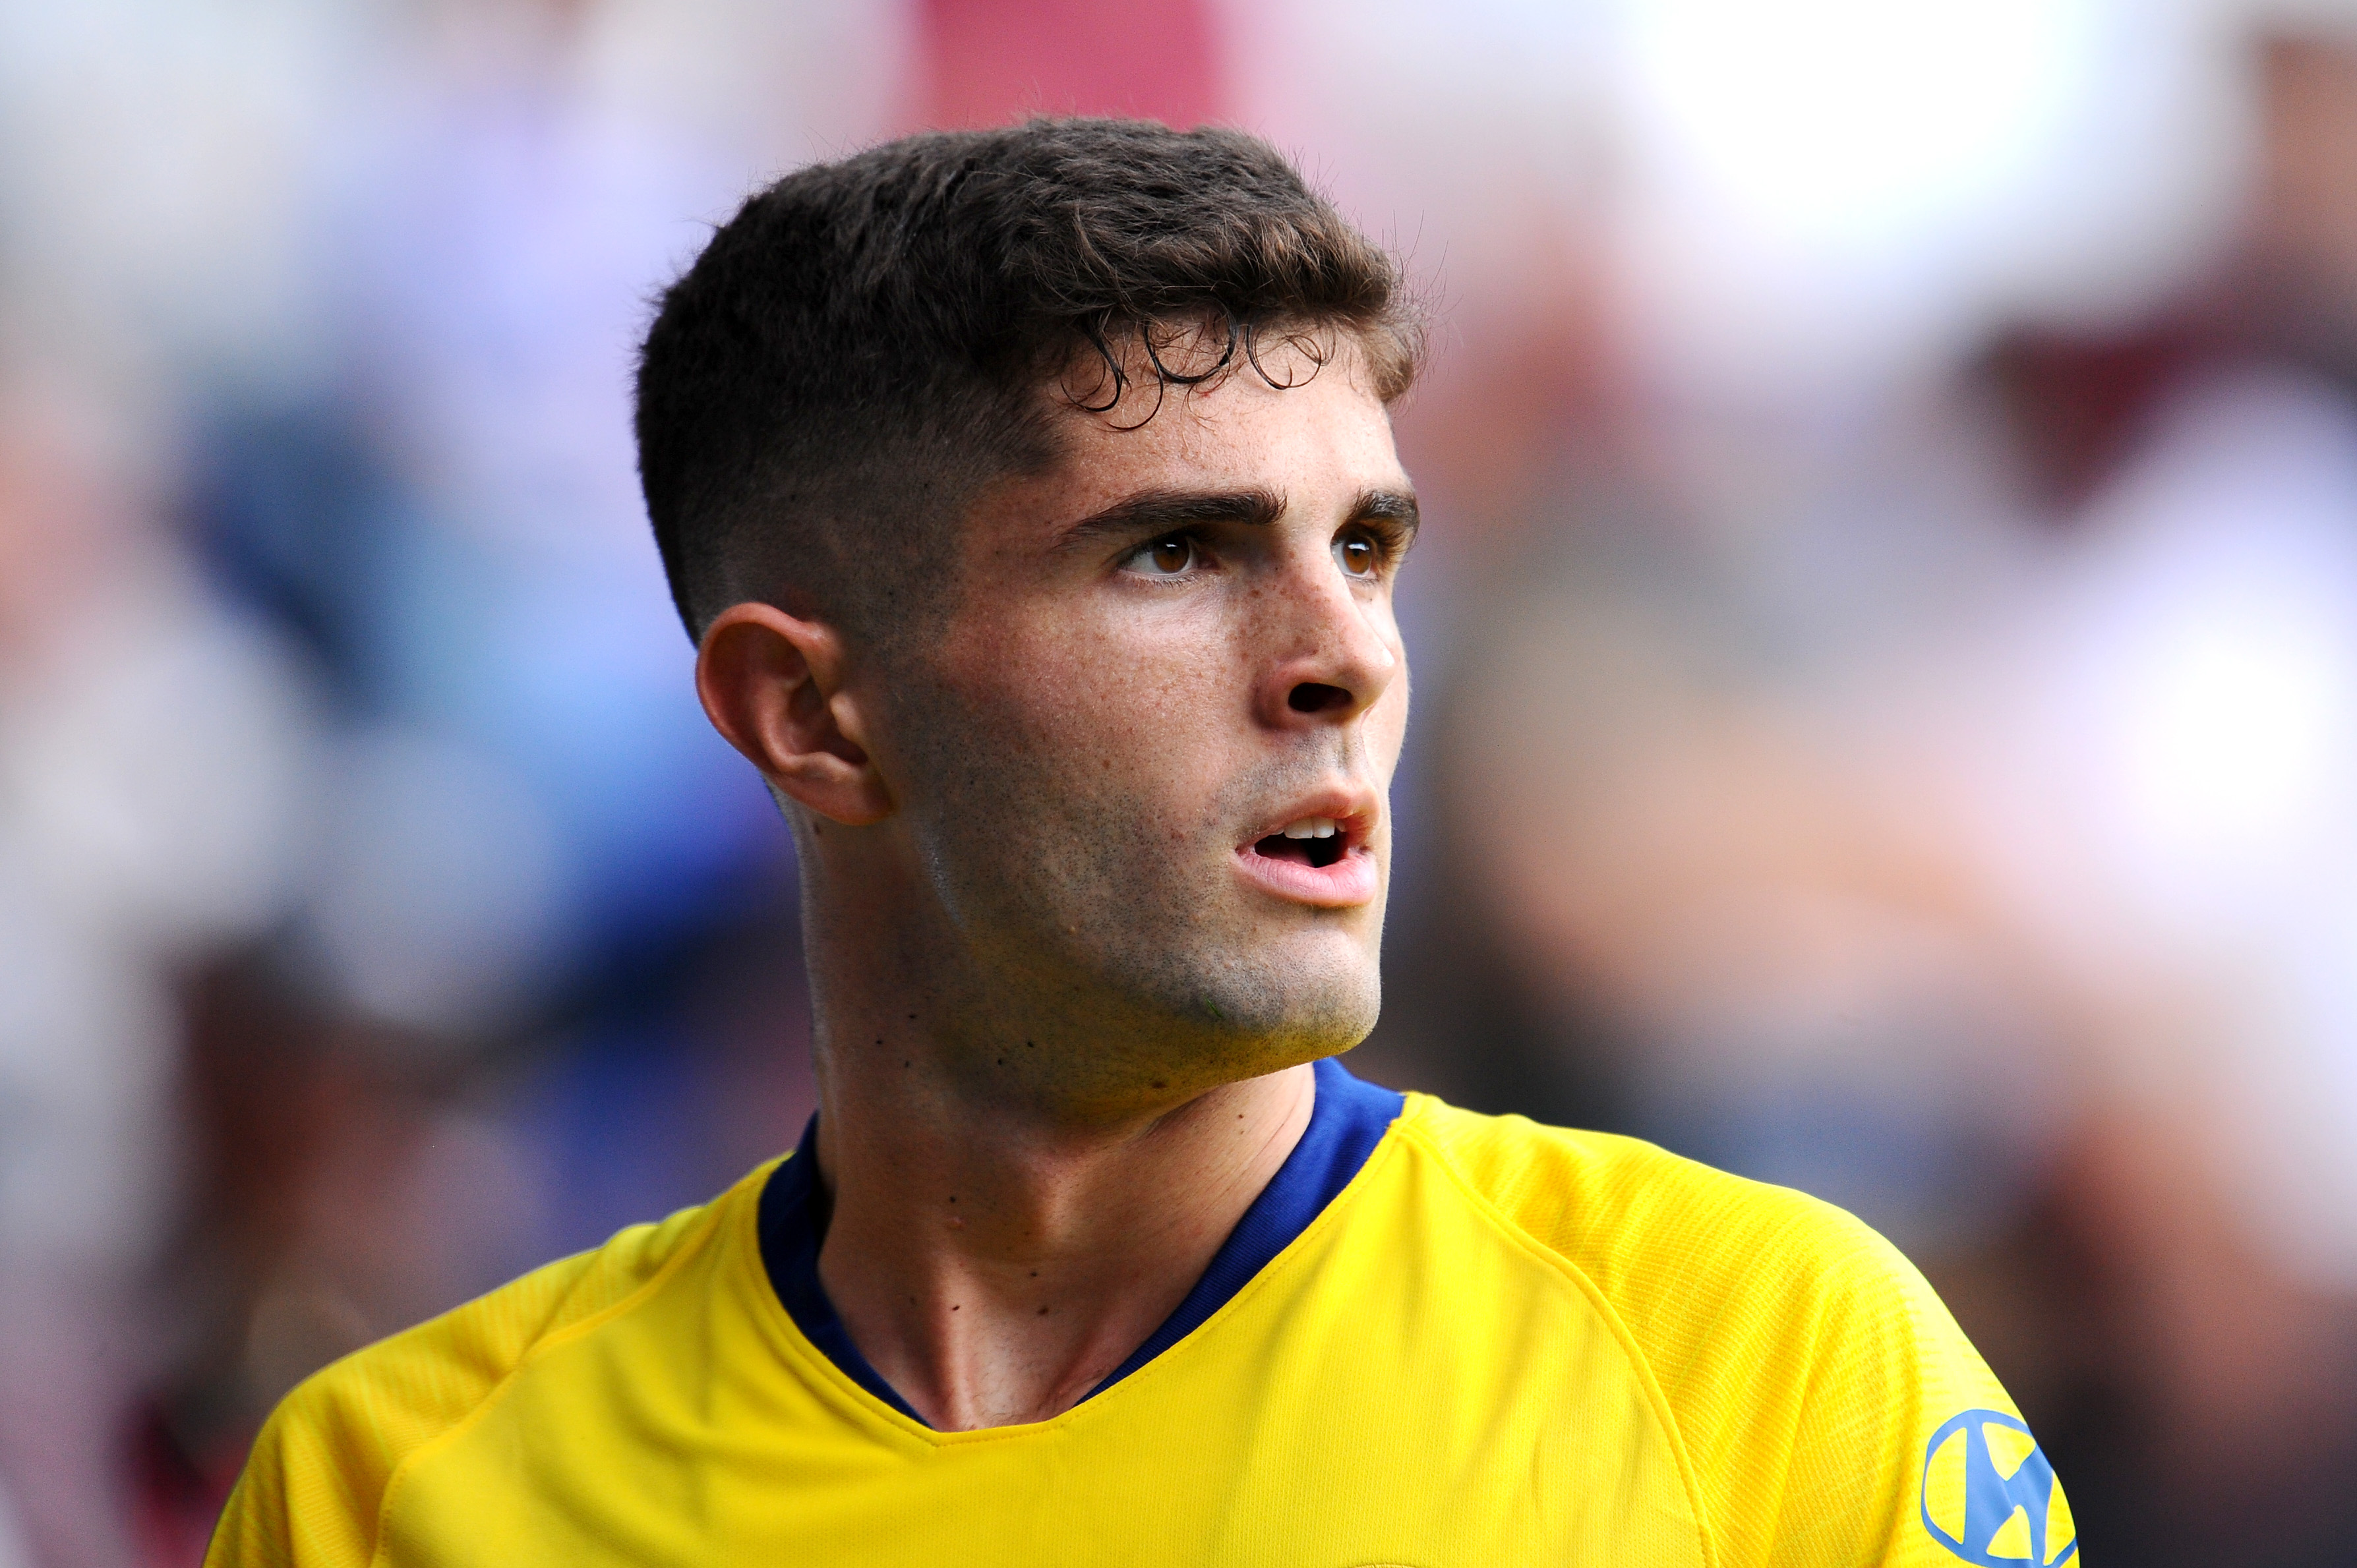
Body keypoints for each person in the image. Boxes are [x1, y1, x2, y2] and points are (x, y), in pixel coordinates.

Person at [206, 119, 2070, 1567]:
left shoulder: (1771, 1370)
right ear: (811, 716)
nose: (1347, 656)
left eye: (1367, 547)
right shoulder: (395, 1495)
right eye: (1177, 552)